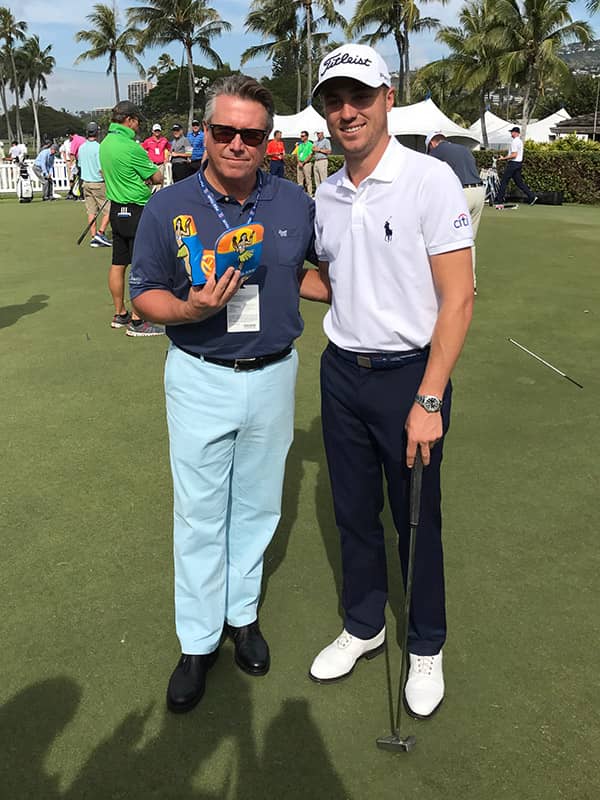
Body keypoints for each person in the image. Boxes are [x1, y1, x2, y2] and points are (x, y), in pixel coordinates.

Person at [128, 74, 320, 714]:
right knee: (200, 514)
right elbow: (144, 292)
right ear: (204, 134)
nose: (238, 143)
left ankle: (242, 618)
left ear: (269, 140)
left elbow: (312, 274)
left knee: (259, 507)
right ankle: (197, 641)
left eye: (252, 134)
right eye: (224, 131)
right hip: (200, 373)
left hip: (274, 373)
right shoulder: (169, 206)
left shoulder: (293, 202)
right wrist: (188, 307)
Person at [307, 43, 474, 720]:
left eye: (359, 98)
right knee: (352, 512)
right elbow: (335, 278)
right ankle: (366, 624)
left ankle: (426, 643)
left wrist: (430, 398)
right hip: (342, 371)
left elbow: (458, 299)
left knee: (416, 518)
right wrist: (272, 271)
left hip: (410, 375)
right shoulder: (325, 189)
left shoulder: (428, 180)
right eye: (335, 101)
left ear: (387, 100)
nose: (346, 112)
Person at [99, 99, 165, 336]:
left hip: (116, 210)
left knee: (118, 264)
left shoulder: (105, 143)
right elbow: (157, 177)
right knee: (141, 266)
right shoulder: (132, 147)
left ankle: (120, 314)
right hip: (137, 210)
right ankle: (138, 321)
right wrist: (147, 177)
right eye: (137, 121)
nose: (138, 126)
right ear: (129, 120)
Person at [425, 131, 485, 293]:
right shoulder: (463, 149)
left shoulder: (436, 152)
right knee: (469, 241)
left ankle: (449, 283)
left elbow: (430, 177)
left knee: (450, 240)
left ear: (432, 144)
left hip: (462, 194)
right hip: (479, 192)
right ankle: (470, 284)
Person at [77, 122, 111, 247]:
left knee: (91, 212)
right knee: (110, 210)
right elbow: (101, 168)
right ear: (97, 132)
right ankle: (100, 234)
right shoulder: (99, 147)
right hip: (98, 183)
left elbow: (80, 165)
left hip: (86, 183)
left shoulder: (81, 147)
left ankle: (93, 237)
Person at [494, 126, 537, 209]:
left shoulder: (514, 142)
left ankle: (499, 200)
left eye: (512, 132)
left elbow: (514, 155)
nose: (511, 133)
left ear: (516, 133)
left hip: (513, 164)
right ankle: (532, 196)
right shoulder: (520, 142)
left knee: (504, 181)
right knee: (519, 183)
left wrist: (503, 158)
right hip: (518, 164)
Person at [65, 128, 87, 200]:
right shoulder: (83, 138)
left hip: (80, 161)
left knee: (80, 178)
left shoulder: (74, 141)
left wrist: (71, 164)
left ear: (70, 135)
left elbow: (72, 154)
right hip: (87, 160)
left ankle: (81, 195)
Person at [296, 131, 313, 195]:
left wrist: (303, 163)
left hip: (306, 164)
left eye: (303, 136)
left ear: (306, 136)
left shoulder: (310, 144)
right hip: (299, 163)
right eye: (301, 136)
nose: (301, 137)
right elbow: (297, 154)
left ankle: (310, 194)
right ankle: (300, 194)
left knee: (308, 179)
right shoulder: (300, 145)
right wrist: (299, 162)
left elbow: (310, 155)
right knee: (299, 180)